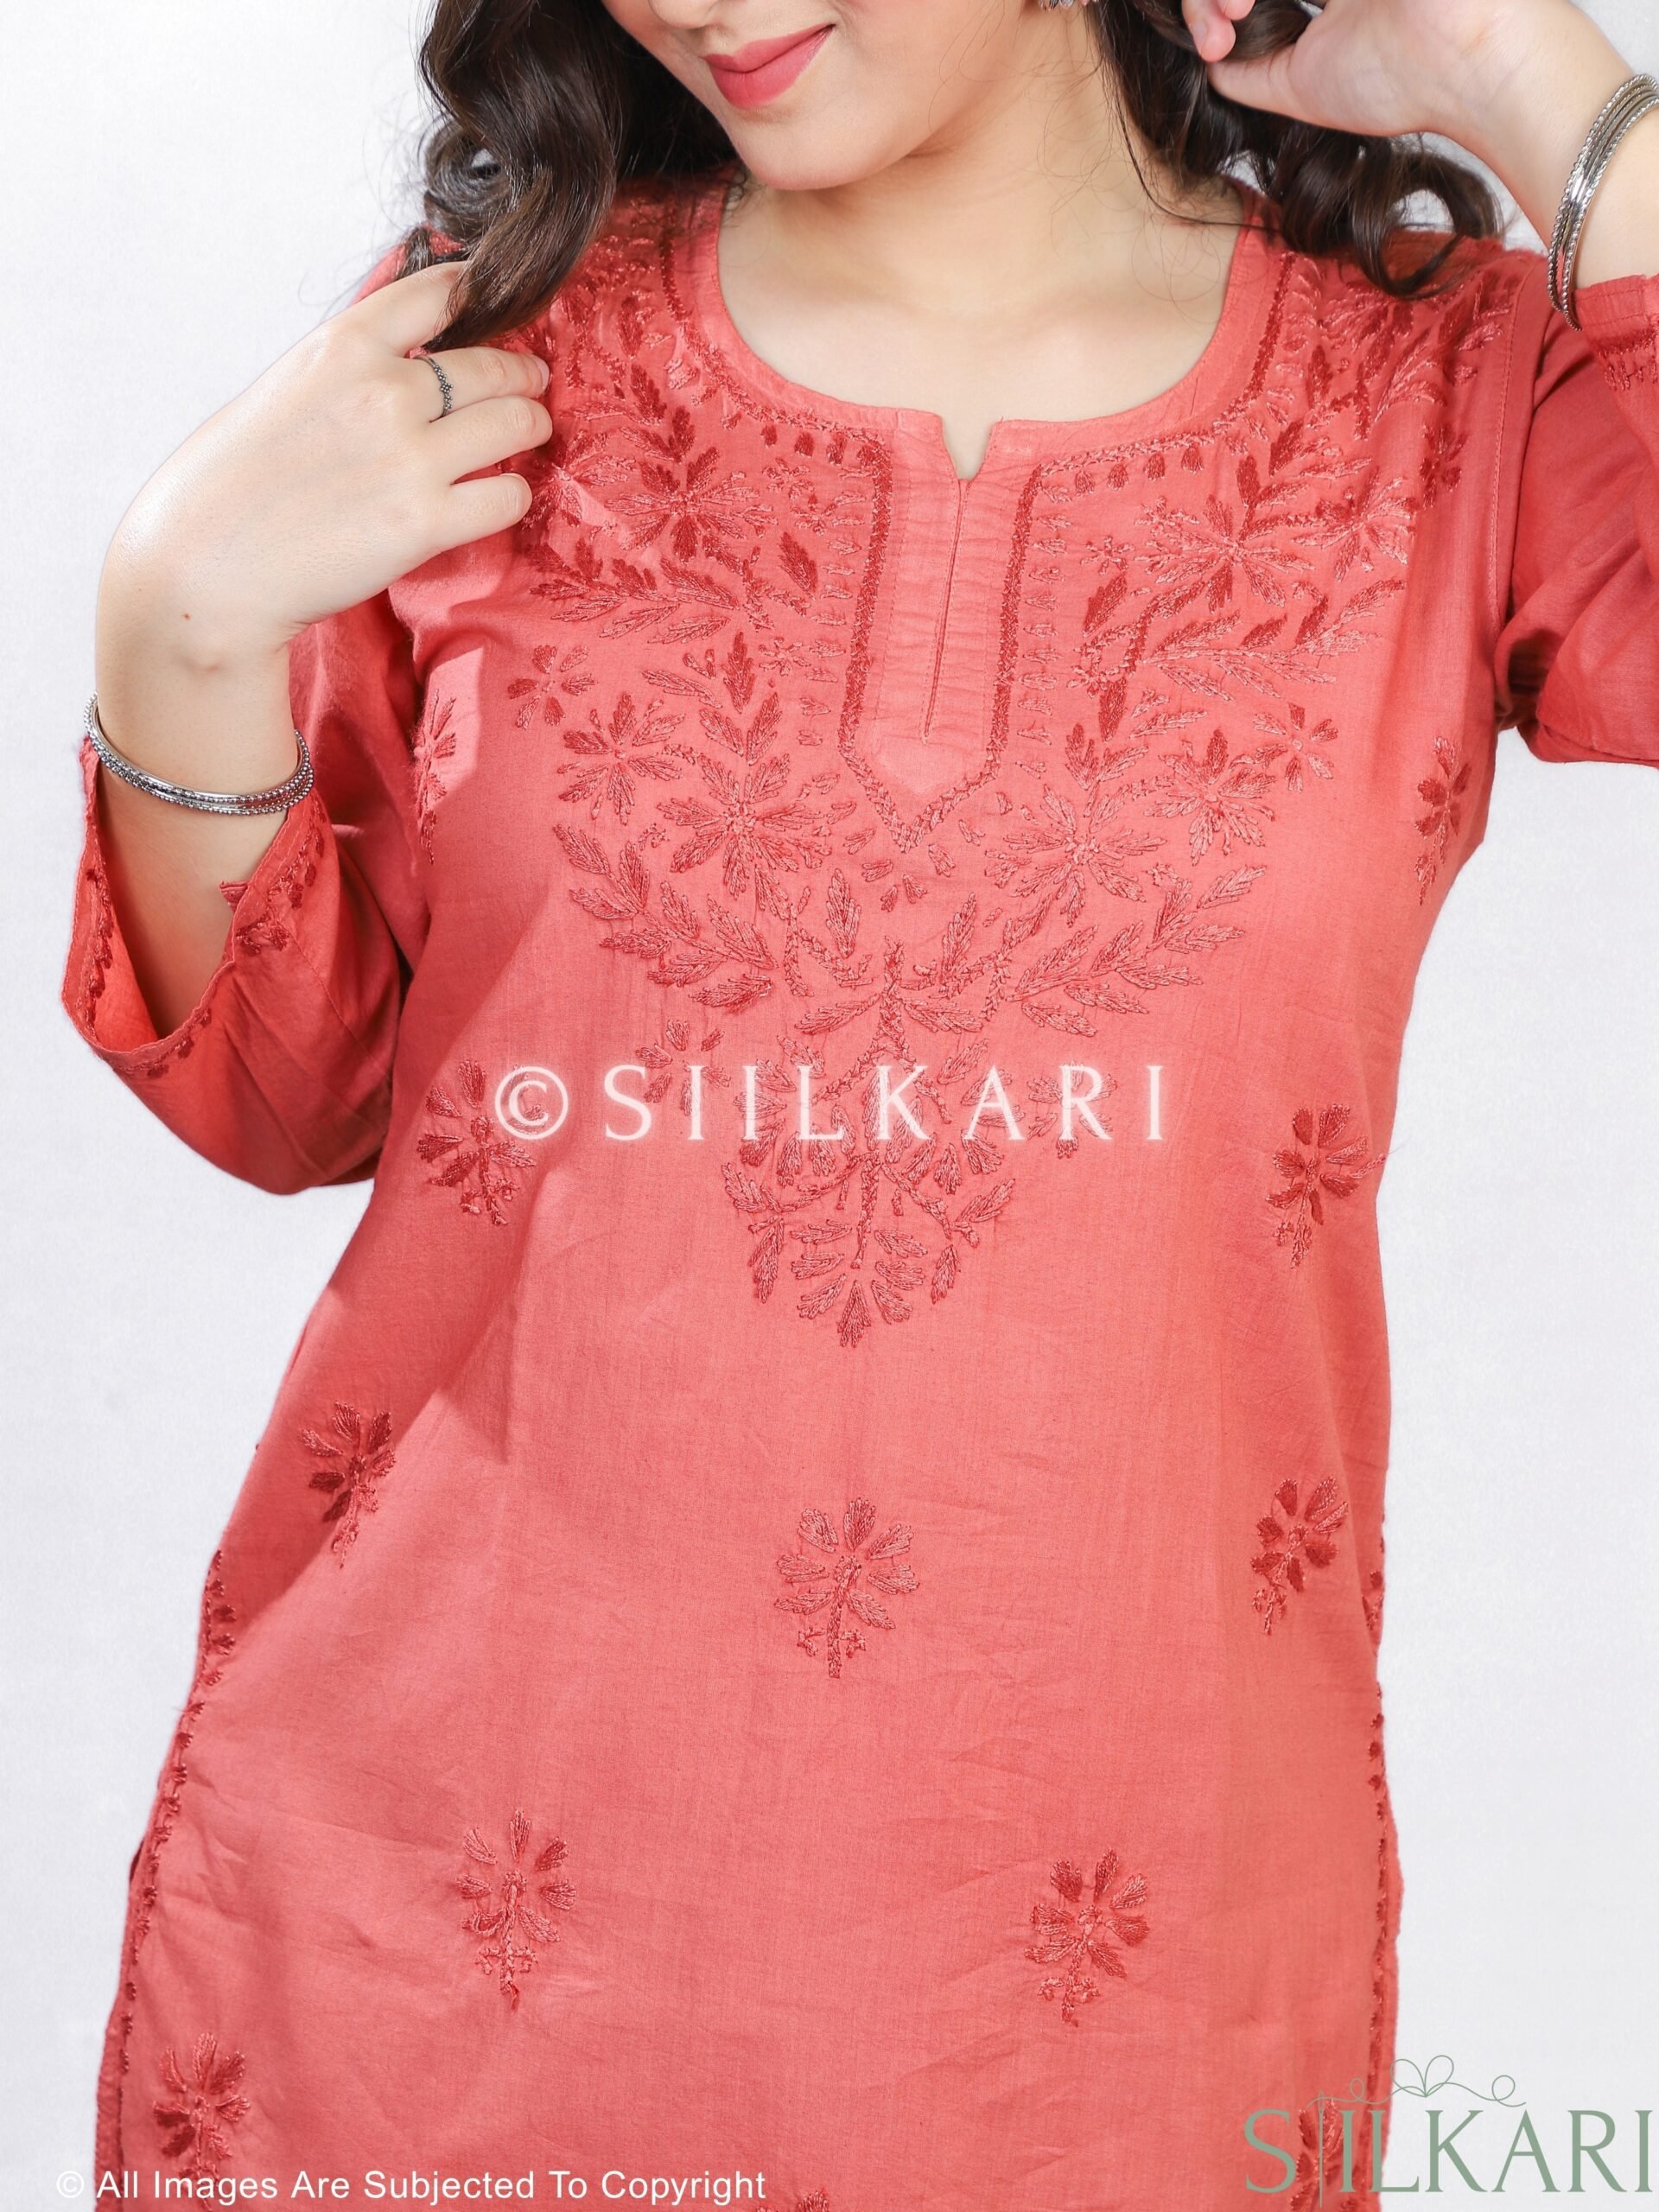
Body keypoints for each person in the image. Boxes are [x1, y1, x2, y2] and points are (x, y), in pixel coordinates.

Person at [61, 0, 1659, 2202]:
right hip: (428, 1985)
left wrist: (1524, 74)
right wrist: (172, 629)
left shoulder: (1446, 394)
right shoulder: (493, 348)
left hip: (1104, 2001)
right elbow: (282, 1086)